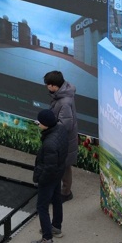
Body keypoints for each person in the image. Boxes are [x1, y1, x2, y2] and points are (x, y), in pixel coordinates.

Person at [31, 109, 67, 243]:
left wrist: (40, 179)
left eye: (40, 122)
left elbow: (49, 168)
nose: (38, 124)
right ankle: (56, 227)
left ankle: (47, 239)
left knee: (42, 207)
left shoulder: (49, 143)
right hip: (59, 172)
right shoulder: (61, 129)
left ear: (46, 124)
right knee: (57, 198)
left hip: (49, 177)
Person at [43, 71, 78, 203]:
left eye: (48, 84)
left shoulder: (64, 102)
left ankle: (65, 193)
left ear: (54, 86)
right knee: (62, 165)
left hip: (64, 140)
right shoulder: (61, 95)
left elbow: (65, 125)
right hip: (62, 139)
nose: (47, 86)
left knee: (64, 166)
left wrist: (48, 125)